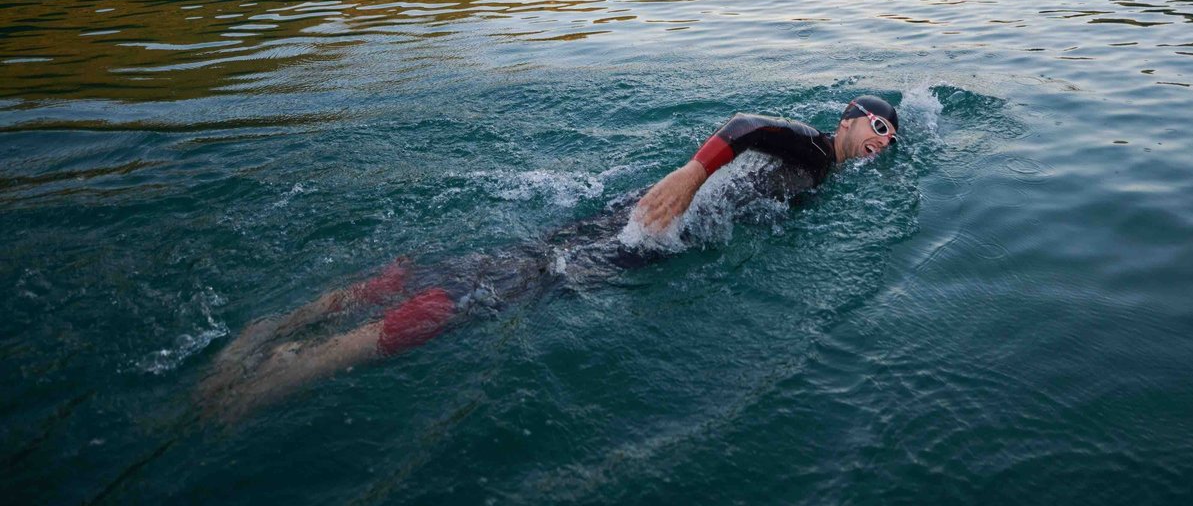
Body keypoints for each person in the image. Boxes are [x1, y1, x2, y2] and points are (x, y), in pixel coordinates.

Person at [198, 96, 899, 422]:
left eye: (892, 138)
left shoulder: (824, 175)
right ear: (847, 116)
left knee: (492, 266)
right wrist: (690, 174)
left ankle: (275, 329)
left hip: (635, 215)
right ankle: (280, 378)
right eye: (877, 125)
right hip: (649, 227)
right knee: (492, 295)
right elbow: (746, 125)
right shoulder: (810, 144)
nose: (882, 140)